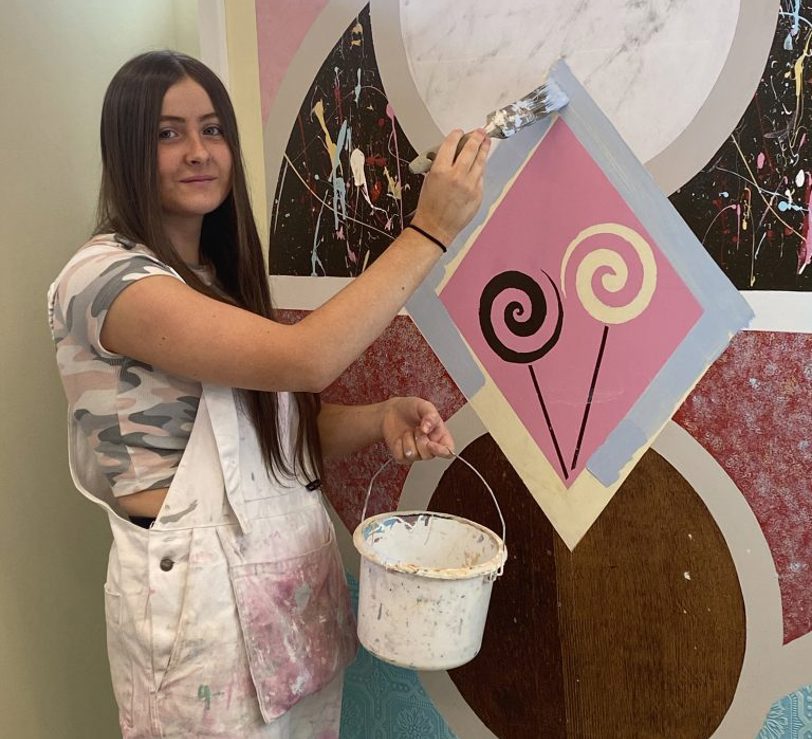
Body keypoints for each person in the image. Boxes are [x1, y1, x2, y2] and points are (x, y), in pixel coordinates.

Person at [47, 50, 489, 738]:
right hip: (199, 614)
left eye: (212, 129)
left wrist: (377, 418)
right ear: (125, 148)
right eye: (167, 133)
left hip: (283, 603)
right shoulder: (107, 280)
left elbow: (265, 447)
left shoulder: (213, 277)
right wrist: (431, 231)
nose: (198, 151)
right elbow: (304, 360)